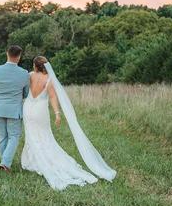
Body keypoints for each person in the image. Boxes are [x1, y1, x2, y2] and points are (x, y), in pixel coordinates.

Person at [21, 56, 116, 190]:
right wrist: (57, 114)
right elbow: (53, 98)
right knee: (45, 136)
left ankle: (32, 161)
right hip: (40, 111)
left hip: (28, 109)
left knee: (31, 135)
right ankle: (43, 160)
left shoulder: (29, 75)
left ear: (35, 66)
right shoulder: (49, 80)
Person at [0, 45, 29, 173]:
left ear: (7, 54)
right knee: (14, 136)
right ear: (19, 57)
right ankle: (5, 163)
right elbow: (26, 93)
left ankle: (4, 162)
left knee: (2, 136)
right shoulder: (24, 73)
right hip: (14, 110)